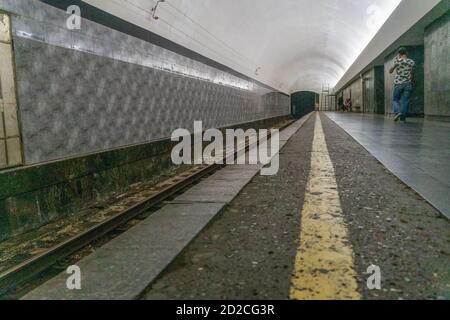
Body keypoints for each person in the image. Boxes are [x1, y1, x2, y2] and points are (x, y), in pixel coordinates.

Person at [389, 47, 415, 122]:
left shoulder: (397, 61)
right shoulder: (411, 62)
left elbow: (390, 71)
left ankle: (398, 112)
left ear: (399, 54)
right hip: (408, 83)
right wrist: (411, 81)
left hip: (398, 83)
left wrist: (395, 64)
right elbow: (412, 73)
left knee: (395, 99)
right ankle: (403, 119)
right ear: (406, 53)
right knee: (405, 101)